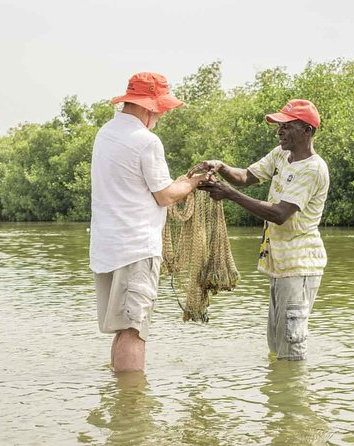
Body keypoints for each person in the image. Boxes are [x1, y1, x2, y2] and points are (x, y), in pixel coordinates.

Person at [189, 99, 329, 361]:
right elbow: (245, 177)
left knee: (291, 348)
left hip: (300, 266)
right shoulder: (281, 154)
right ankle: (279, 396)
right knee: (276, 347)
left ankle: (293, 399)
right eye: (279, 126)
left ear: (307, 131)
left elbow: (279, 214)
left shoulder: (312, 169)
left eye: (287, 126)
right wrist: (221, 167)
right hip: (280, 264)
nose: (280, 131)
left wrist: (229, 195)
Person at [90, 72, 209, 372]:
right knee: (134, 330)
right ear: (149, 107)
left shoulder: (105, 133)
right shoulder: (146, 142)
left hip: (106, 250)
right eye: (161, 109)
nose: (162, 115)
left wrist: (179, 182)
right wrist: (193, 183)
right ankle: (133, 409)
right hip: (136, 249)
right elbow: (165, 195)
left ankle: (122, 403)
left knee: (122, 328)